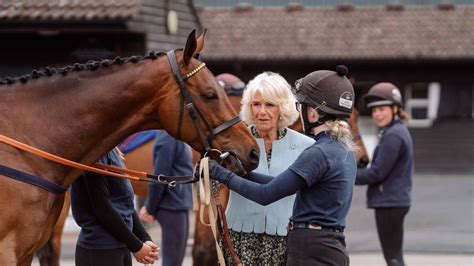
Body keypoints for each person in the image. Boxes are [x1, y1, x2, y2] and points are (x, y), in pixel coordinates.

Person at [205, 65, 357, 265]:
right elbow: (279, 184)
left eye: (301, 106)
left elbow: (267, 194)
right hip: (330, 244)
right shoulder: (342, 149)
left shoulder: (318, 152)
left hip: (311, 247)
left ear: (313, 113)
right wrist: (240, 172)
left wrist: (220, 174)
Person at [221, 72, 314, 265]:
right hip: (240, 237)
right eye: (256, 104)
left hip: (284, 239)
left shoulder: (307, 146)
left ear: (282, 108)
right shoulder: (234, 142)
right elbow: (216, 188)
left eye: (269, 104)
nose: (262, 111)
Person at [355, 82, 413, 266]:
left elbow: (377, 173)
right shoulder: (393, 131)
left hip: (390, 202)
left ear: (395, 108)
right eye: (374, 111)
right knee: (394, 255)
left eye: (382, 109)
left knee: (393, 257)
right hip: (393, 201)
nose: (377, 114)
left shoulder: (393, 135)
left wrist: (347, 175)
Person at [71, 148, 159, 266]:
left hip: (120, 245)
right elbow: (102, 209)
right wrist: (136, 246)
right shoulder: (97, 154)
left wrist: (144, 238)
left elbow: (125, 203)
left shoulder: (111, 150)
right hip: (101, 250)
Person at [139, 130, 193, 266]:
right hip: (171, 206)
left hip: (180, 205)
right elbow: (160, 176)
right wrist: (150, 208)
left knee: (176, 261)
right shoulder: (167, 137)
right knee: (172, 262)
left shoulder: (178, 136)